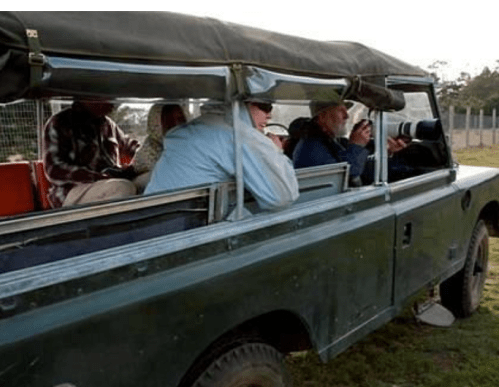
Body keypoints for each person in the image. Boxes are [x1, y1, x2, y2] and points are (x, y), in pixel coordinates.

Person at [144, 102, 299, 210]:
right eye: (265, 107)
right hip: (181, 227)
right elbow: (282, 197)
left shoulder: (191, 129)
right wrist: (277, 151)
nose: (269, 115)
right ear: (243, 103)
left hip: (149, 217)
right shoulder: (238, 135)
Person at [43, 100, 140, 208]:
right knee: (122, 188)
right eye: (107, 97)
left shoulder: (108, 124)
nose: (113, 103)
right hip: (73, 190)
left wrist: (147, 154)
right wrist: (97, 177)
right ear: (88, 98)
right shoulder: (60, 122)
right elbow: (54, 169)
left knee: (147, 179)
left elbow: (129, 146)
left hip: (109, 181)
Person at [292, 99, 407, 185]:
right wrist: (356, 145)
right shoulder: (312, 147)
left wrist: (386, 150)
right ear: (322, 117)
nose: (346, 116)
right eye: (341, 111)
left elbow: (361, 166)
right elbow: (348, 175)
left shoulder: (331, 141)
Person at [133, 103, 187, 191]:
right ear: (157, 122)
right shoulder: (148, 155)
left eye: (181, 119)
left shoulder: (185, 146)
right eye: (170, 120)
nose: (177, 124)